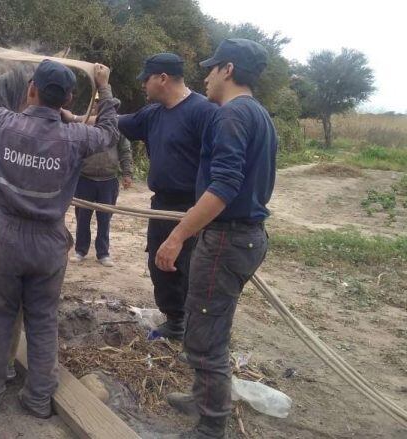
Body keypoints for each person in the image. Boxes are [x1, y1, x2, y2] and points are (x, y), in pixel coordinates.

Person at [0, 54, 119, 418]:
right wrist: (105, 86)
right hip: (49, 242)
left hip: (6, 238)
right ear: (67, 102)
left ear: (30, 90)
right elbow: (110, 130)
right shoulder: (77, 137)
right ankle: (38, 398)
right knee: (43, 319)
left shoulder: (1, 123)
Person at [156, 39, 276, 439]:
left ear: (227, 69)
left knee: (205, 333)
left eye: (210, 68)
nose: (204, 76)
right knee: (207, 320)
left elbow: (224, 186)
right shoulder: (258, 115)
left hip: (227, 237)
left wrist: (176, 236)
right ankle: (202, 393)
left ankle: (210, 425)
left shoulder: (230, 117)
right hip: (245, 237)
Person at [118, 53, 217, 339]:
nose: (142, 86)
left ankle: (195, 330)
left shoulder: (204, 112)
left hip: (192, 207)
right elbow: (118, 122)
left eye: (146, 79)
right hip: (160, 206)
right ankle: (174, 322)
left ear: (162, 78)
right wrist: (74, 117)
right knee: (160, 264)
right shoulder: (153, 114)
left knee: (190, 268)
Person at [65, 93, 133, 267]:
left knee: (105, 218)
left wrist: (127, 173)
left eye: (101, 104)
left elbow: (125, 150)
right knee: (82, 217)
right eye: (95, 104)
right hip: (85, 179)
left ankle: (103, 253)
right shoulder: (84, 124)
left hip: (108, 180)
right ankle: (81, 250)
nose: (97, 107)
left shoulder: (117, 125)